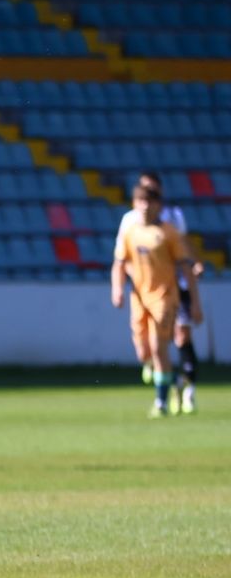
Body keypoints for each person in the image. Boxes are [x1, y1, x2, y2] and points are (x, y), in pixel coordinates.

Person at [115, 172, 203, 413]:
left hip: (169, 290)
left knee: (173, 340)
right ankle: (167, 376)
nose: (146, 199)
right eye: (143, 193)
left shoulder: (171, 222)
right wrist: (119, 286)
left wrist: (196, 266)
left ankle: (170, 397)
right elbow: (121, 258)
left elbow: (185, 247)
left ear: (159, 196)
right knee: (146, 350)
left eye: (152, 193)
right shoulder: (130, 223)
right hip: (140, 293)